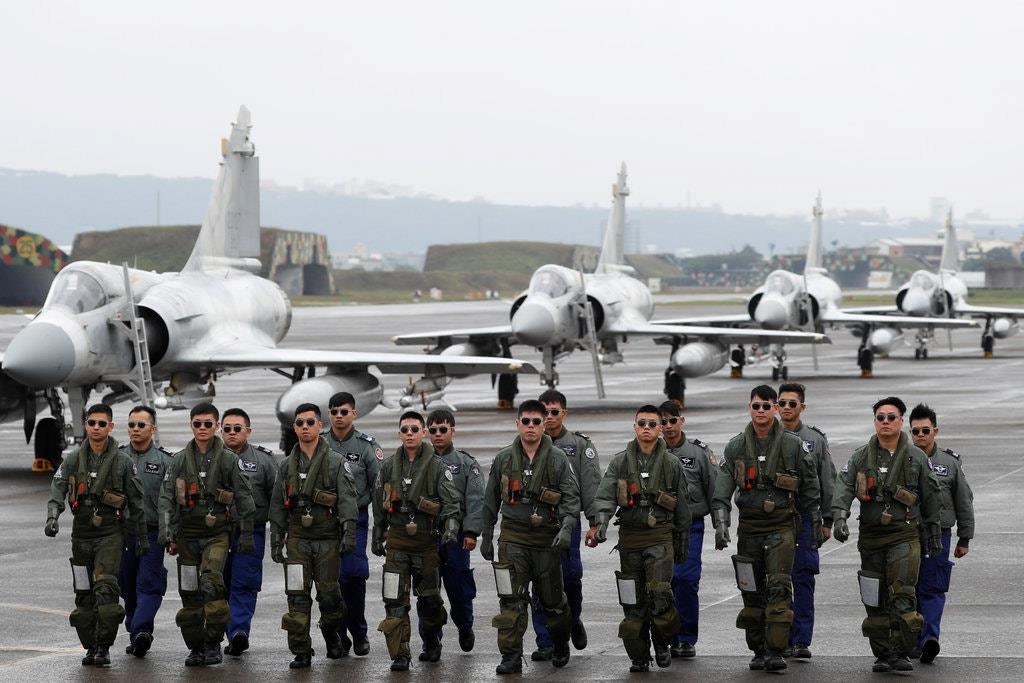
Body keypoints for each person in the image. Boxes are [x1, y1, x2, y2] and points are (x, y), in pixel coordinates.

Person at [711, 385, 821, 673]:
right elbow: (721, 491)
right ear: (749, 408)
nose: (760, 411)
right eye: (756, 406)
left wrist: (816, 523)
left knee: (778, 587)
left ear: (775, 409)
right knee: (751, 589)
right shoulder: (735, 446)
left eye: (766, 406)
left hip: (781, 526)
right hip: (749, 528)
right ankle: (758, 649)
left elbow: (810, 488)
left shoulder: (793, 445)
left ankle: (775, 650)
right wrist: (721, 525)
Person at [832, 396, 941, 673]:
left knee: (903, 594)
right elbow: (844, 486)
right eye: (880, 417)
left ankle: (901, 652)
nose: (885, 422)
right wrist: (840, 517)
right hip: (871, 537)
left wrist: (933, 533)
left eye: (891, 417)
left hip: (904, 535)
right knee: (874, 596)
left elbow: (931, 496)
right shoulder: (860, 456)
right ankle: (882, 653)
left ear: (901, 421)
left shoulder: (916, 457)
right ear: (875, 422)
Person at [586, 404, 691, 672]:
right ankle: (639, 656)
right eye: (642, 423)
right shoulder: (620, 462)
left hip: (659, 538)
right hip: (630, 539)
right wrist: (600, 524)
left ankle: (662, 643)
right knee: (632, 600)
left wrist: (682, 541)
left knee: (660, 595)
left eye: (652, 424)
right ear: (635, 427)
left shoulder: (672, 464)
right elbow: (605, 496)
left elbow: (682, 506)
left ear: (660, 429)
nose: (646, 428)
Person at [480, 399, 581, 675]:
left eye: (537, 421)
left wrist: (566, 529)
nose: (531, 426)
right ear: (518, 424)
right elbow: (490, 500)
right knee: (511, 600)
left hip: (546, 540)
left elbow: (571, 499)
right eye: (526, 421)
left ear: (544, 425)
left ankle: (560, 643)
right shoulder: (503, 459)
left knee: (553, 602)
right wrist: (486, 535)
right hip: (513, 538)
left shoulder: (558, 459)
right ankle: (511, 656)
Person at [45, 403, 144, 668]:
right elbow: (57, 488)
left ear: (110, 427)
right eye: (92, 423)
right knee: (83, 593)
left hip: (110, 533)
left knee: (105, 589)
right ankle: (90, 646)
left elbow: (137, 502)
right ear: (85, 425)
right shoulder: (73, 459)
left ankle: (104, 646)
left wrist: (141, 538)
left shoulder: (123, 462)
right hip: (81, 535)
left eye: (102, 423)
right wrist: (53, 517)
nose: (96, 428)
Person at [157, 402, 256, 667]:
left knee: (212, 584)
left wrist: (247, 534)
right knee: (190, 591)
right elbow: (166, 499)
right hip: (187, 535)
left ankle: (213, 642)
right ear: (191, 425)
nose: (202, 428)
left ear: (216, 426)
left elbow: (245, 498)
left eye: (208, 424)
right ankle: (196, 646)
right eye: (197, 424)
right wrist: (167, 533)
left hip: (216, 534)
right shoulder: (178, 460)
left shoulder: (229, 460)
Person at [269, 403, 358, 669]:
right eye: (299, 423)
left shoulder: (336, 462)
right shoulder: (286, 465)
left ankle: (331, 633)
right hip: (298, 539)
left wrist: (349, 532)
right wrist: (277, 539)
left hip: (327, 539)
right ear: (294, 428)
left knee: (329, 596)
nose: (305, 427)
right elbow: (277, 504)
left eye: (310, 422)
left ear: (320, 425)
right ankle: (301, 650)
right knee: (297, 595)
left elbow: (347, 500)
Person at [371, 411, 461, 672]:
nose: (409, 434)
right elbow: (378, 503)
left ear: (423, 432)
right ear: (399, 434)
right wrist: (378, 534)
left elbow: (451, 504)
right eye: (404, 430)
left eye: (414, 429)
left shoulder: (438, 467)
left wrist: (450, 531)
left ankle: (431, 641)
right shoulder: (388, 467)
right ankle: (400, 654)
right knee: (394, 601)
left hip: (426, 542)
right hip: (397, 543)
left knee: (430, 600)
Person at [529, 389, 599, 660]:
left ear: (564, 414)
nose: (548, 417)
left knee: (570, 577)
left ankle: (573, 618)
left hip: (567, 521)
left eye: (554, 412)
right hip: (537, 524)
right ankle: (546, 640)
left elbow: (591, 486)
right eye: (543, 412)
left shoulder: (579, 446)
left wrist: (595, 523)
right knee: (539, 581)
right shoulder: (527, 444)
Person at [908, 403, 974, 664]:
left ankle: (929, 640)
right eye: (915, 431)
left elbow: (964, 501)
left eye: (925, 430)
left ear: (935, 431)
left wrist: (964, 538)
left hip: (939, 535)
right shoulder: (901, 460)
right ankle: (910, 640)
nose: (920, 435)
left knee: (932, 587)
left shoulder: (950, 463)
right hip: (906, 534)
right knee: (907, 588)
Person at [777, 382, 836, 659]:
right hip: (775, 520)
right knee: (776, 580)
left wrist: (828, 520)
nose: (787, 407)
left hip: (805, 519)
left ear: (802, 406)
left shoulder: (815, 440)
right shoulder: (765, 437)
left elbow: (827, 481)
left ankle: (801, 639)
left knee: (802, 578)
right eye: (782, 403)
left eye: (792, 403)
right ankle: (780, 637)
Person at [323, 391, 382, 657]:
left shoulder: (366, 446)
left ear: (354, 414)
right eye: (334, 412)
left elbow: (378, 487)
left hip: (356, 520)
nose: (338, 416)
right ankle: (338, 634)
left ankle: (358, 632)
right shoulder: (320, 443)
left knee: (353, 576)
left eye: (344, 412)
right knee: (330, 581)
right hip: (324, 522)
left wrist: (380, 526)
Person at [220, 408, 281, 658]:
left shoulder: (264, 461)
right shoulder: (208, 459)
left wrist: (279, 532)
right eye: (227, 429)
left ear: (248, 431)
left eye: (237, 428)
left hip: (250, 531)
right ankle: (218, 633)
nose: (232, 433)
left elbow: (276, 500)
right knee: (216, 584)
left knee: (244, 583)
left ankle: (238, 632)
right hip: (216, 533)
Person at [658, 400, 717, 659]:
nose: (668, 426)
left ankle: (685, 637)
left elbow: (715, 489)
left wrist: (721, 525)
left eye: (673, 420)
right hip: (659, 527)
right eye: (663, 422)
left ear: (681, 421)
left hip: (691, 526)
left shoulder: (699, 453)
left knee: (686, 580)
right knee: (661, 582)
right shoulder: (650, 451)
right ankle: (664, 636)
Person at [424, 408, 485, 652]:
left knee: (459, 589)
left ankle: (464, 625)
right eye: (433, 430)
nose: (438, 434)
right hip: (427, 536)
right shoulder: (419, 462)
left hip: (456, 538)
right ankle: (431, 641)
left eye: (443, 429)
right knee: (427, 592)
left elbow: (476, 500)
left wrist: (471, 532)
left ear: (452, 431)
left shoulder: (466, 464)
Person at [118, 405, 174, 659]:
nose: (136, 429)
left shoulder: (165, 462)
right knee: (127, 584)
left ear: (153, 429)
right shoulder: (117, 458)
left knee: (148, 583)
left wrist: (171, 534)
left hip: (152, 533)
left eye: (141, 425)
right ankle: (135, 629)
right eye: (132, 425)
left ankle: (142, 631)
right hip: (123, 533)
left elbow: (171, 501)